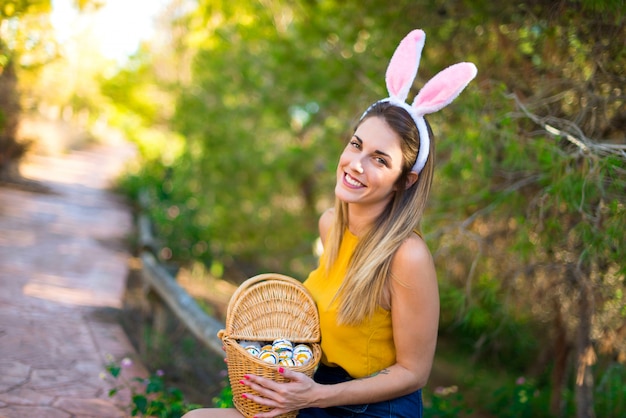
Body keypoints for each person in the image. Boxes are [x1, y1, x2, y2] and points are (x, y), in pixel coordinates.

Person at [184, 29, 476, 418]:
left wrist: (314, 397)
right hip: (318, 387)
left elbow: (413, 373)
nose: (356, 164)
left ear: (406, 180)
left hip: (376, 408)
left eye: (380, 159)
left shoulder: (408, 256)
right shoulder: (330, 225)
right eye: (356, 145)